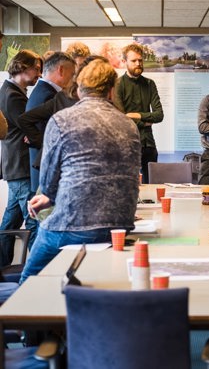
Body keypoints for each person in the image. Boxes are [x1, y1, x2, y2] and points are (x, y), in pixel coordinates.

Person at [20, 59, 141, 283]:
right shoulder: (129, 125)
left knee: (29, 277)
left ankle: (23, 311)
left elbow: (47, 186)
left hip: (74, 225)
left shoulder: (61, 120)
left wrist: (48, 198)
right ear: (111, 91)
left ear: (77, 89)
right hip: (120, 226)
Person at [18, 55, 108, 164]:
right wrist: (44, 141)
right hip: (59, 164)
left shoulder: (58, 95)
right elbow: (27, 120)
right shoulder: (57, 96)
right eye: (72, 74)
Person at [0, 50, 42, 267]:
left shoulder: (14, 91)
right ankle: (34, 272)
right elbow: (28, 126)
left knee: (10, 222)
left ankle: (3, 268)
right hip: (20, 165)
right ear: (22, 67)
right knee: (34, 220)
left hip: (17, 166)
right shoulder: (11, 95)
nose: (39, 74)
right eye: (36, 69)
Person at [25, 51, 76, 193]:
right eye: (72, 74)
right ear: (61, 70)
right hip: (46, 173)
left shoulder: (41, 91)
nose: (73, 80)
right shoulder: (50, 95)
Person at [115, 43, 164, 183]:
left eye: (140, 60)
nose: (138, 63)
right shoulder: (118, 84)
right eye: (134, 60)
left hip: (148, 143)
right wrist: (147, 121)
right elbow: (121, 118)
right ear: (124, 62)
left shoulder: (150, 84)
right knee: (127, 184)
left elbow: (159, 115)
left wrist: (135, 115)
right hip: (127, 143)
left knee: (152, 184)